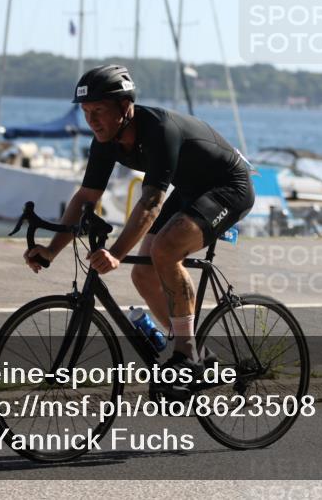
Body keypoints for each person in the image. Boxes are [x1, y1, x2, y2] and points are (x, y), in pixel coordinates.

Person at [23, 64, 254, 394]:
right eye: (86, 112)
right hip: (190, 190)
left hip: (229, 188)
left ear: (125, 107)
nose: (92, 120)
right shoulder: (104, 141)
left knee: (165, 251)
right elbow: (86, 197)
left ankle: (187, 356)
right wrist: (51, 250)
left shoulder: (158, 130)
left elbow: (151, 202)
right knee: (143, 274)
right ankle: (198, 355)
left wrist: (117, 253)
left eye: (99, 110)